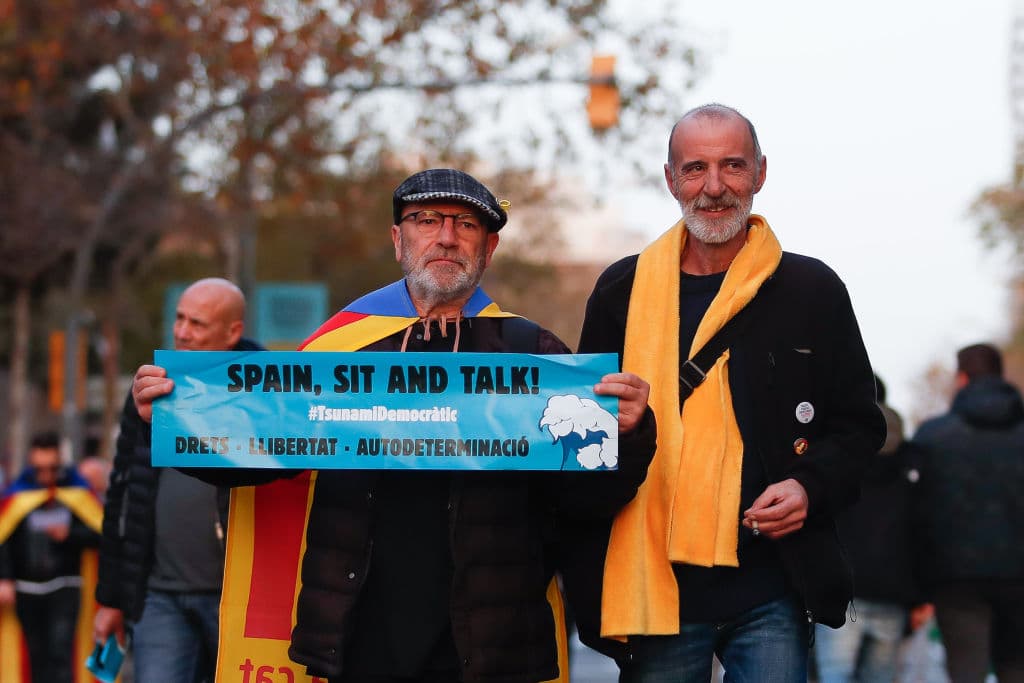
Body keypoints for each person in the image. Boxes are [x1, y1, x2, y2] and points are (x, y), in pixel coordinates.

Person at [131, 168, 657, 683]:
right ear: (398, 240)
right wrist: (180, 420)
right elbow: (259, 458)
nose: (446, 237)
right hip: (359, 633)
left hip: (490, 645)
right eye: (427, 220)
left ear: (489, 248)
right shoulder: (337, 350)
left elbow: (584, 499)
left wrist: (629, 433)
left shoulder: (533, 353)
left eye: (466, 225)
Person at [565, 103, 885, 682]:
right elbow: (583, 443)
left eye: (732, 166)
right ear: (670, 179)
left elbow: (860, 426)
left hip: (774, 586)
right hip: (655, 591)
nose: (714, 187)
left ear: (761, 173)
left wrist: (810, 486)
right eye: (695, 169)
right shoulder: (622, 290)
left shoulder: (812, 289)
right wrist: (624, 427)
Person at [93, 277, 263, 683]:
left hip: (237, 601)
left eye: (197, 324)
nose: (182, 331)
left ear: (233, 331)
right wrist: (111, 597)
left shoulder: (267, 390)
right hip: (158, 596)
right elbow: (123, 495)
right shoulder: (149, 386)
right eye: (180, 318)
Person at [911, 343, 1024, 683]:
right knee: (1017, 667)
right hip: (1020, 576)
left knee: (965, 672)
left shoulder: (933, 436)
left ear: (962, 378)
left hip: (955, 577)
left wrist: (919, 584)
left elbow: (917, 514)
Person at [812, 375, 925, 683]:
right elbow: (923, 532)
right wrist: (920, 595)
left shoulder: (832, 457)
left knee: (835, 675)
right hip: (894, 592)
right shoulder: (913, 463)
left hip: (842, 590)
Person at [0, 431, 103, 683]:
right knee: (34, 658)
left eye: (52, 469)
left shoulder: (77, 493)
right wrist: (4, 578)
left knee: (61, 654)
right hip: (26, 589)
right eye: (40, 469)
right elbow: (4, 537)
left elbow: (101, 532)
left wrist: (70, 534)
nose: (46, 476)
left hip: (66, 586)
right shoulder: (17, 495)